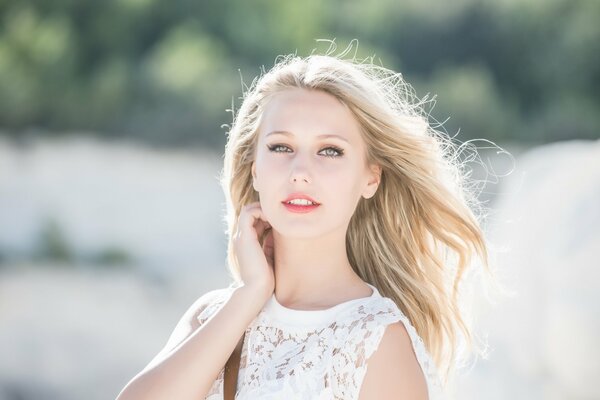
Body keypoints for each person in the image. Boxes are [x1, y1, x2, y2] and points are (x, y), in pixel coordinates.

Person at [116, 40, 497, 400]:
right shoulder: (214, 314)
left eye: (330, 151)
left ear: (370, 177)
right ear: (254, 170)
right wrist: (250, 293)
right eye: (281, 147)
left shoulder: (379, 340)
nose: (300, 171)